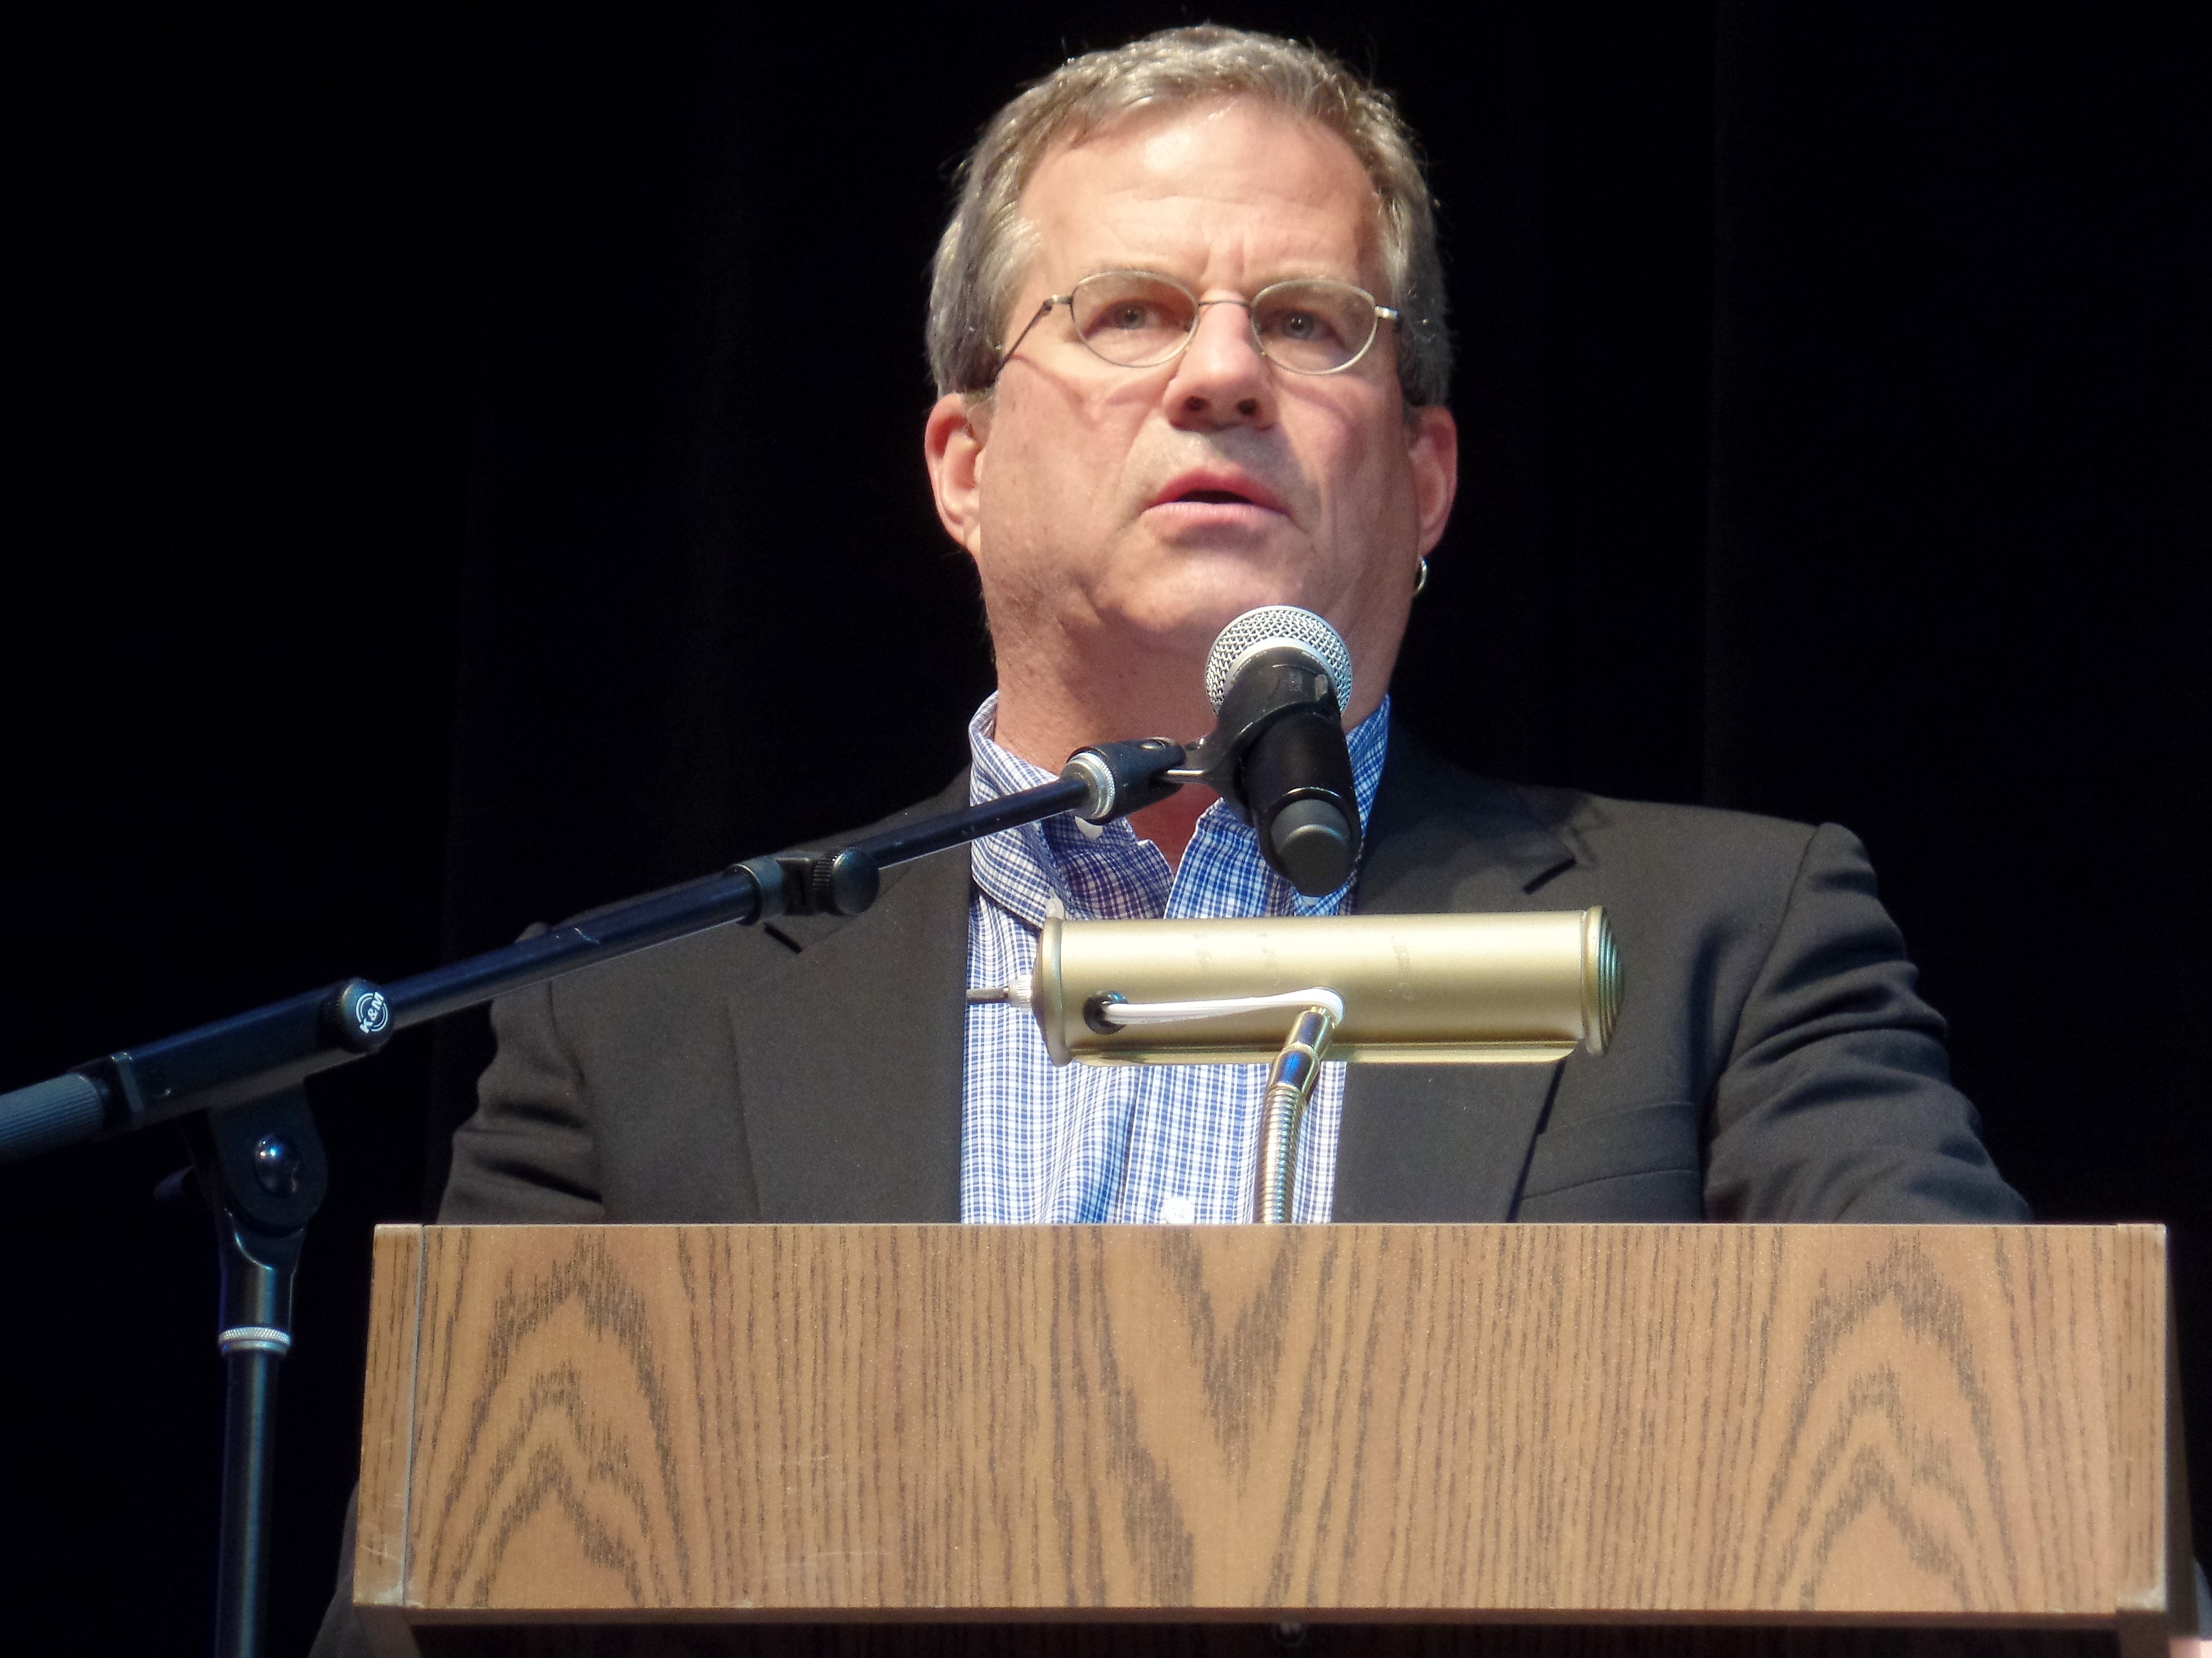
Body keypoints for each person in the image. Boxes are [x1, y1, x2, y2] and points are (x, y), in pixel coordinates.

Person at [314, 25, 2021, 1651]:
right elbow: (445, 1599)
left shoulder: (1728, 944)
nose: (1220, 374)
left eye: (1304, 320)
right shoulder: (634, 1024)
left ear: (1425, 477)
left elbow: (1986, 1463)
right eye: (1127, 312)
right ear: (962, 462)